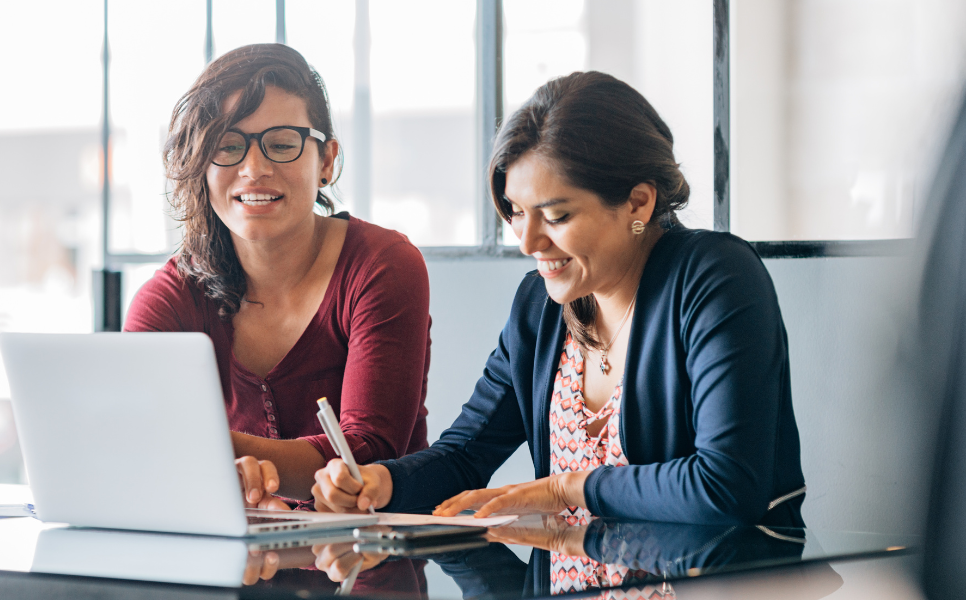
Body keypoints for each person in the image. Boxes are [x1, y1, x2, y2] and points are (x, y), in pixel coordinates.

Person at [311, 71, 807, 528]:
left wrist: (568, 488)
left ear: (638, 202)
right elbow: (466, 455)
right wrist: (385, 482)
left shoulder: (715, 277)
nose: (528, 243)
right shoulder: (540, 306)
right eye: (517, 212)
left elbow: (726, 487)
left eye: (556, 215)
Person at [125, 44, 432, 509]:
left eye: (283, 143)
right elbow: (133, 439)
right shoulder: (171, 296)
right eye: (228, 146)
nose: (254, 169)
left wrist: (210, 458)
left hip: (376, 560)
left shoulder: (383, 265)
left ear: (326, 161)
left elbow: (365, 452)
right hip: (236, 568)